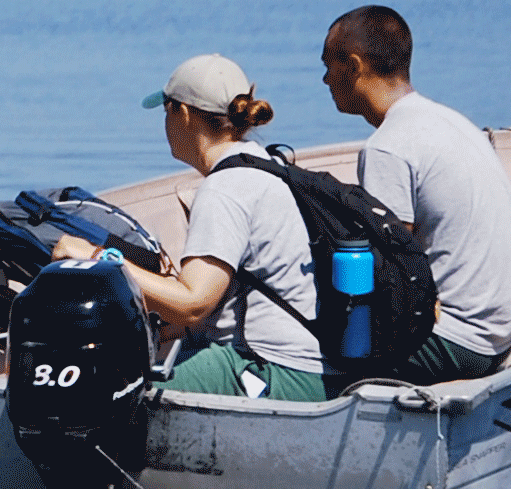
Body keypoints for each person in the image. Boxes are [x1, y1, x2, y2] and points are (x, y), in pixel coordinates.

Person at [49, 54, 325, 401]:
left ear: (182, 113)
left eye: (165, 111)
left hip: (275, 370)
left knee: (105, 397)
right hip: (310, 366)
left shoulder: (226, 187)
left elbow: (193, 304)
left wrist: (97, 257)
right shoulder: (268, 165)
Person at [321, 4, 511, 379]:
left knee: (305, 348)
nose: (324, 80)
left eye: (328, 66)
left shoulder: (388, 146)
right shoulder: (450, 121)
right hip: (501, 331)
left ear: (353, 66)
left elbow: (388, 273)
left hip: (458, 341)